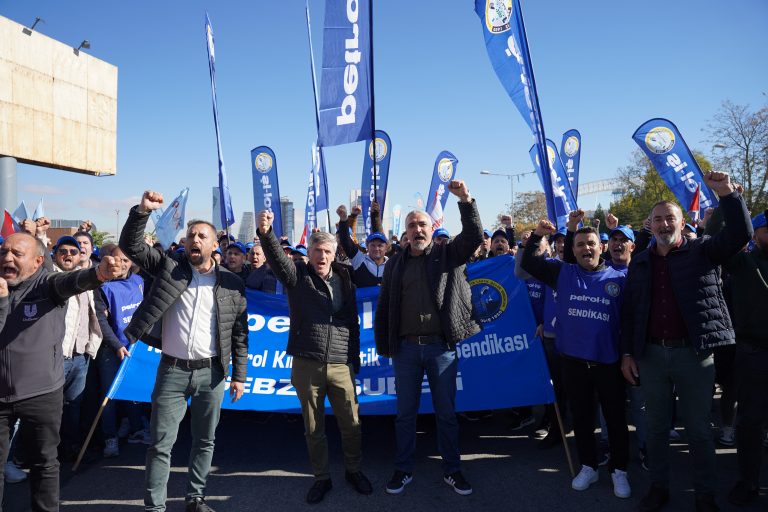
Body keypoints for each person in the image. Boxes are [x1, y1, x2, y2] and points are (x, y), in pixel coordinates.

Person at [620, 171, 752, 512]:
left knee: (698, 431)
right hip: (650, 356)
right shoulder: (641, 262)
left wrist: (727, 196)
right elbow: (631, 311)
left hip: (694, 356)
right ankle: (659, 488)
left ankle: (705, 495)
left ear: (682, 222)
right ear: (651, 225)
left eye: (671, 218)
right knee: (658, 428)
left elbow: (740, 233)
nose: (665, 224)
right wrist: (628, 354)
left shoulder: (704, 252)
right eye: (659, 219)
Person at [119, 190, 249, 512]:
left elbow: (240, 334)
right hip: (172, 372)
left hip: (213, 374)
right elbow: (132, 247)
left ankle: (195, 498)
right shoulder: (169, 268)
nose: (195, 239)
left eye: (202, 235)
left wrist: (240, 376)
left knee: (205, 441)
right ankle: (155, 507)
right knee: (161, 444)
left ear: (215, 244)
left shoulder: (232, 284)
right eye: (190, 234)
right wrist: (142, 212)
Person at [256, 209, 371, 505]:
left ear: (334, 254)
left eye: (327, 251)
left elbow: (352, 324)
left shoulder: (346, 278)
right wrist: (266, 233)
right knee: (313, 427)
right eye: (317, 250)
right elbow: (278, 261)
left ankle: (354, 471)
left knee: (352, 424)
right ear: (308, 253)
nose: (322, 256)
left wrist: (353, 360)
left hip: (341, 364)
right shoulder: (297, 276)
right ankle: (322, 478)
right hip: (307, 363)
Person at [375, 179, 482, 496]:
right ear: (405, 233)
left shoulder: (447, 254)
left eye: (422, 224)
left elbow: (474, 236)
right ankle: (403, 469)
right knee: (404, 415)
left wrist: (465, 199)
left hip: (441, 350)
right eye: (411, 225)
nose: (417, 230)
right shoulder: (394, 263)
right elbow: (385, 307)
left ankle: (453, 470)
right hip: (406, 351)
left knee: (446, 415)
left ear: (432, 228)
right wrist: (386, 345)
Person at [0, 232, 122, 512]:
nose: (7, 258)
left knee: (44, 462)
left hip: (41, 393)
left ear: (37, 262)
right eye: (4, 251)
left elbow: (73, 281)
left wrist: (99, 274)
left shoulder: (47, 285)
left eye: (17, 254)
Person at [521, 215, 631, 499]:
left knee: (615, 419)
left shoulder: (620, 277)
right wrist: (536, 236)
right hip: (573, 362)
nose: (586, 249)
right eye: (580, 244)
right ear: (575, 249)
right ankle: (588, 466)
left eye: (591, 244)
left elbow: (631, 322)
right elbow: (529, 264)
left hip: (608, 363)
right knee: (581, 417)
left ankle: (620, 471)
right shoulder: (563, 273)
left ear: (601, 247)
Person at [706, 210, 768, 507]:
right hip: (753, 355)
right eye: (767, 229)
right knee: (751, 422)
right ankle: (749, 481)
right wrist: (725, 207)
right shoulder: (743, 263)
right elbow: (713, 239)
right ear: (754, 233)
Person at [93, 243, 150, 457]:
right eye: (118, 259)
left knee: (133, 393)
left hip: (134, 347)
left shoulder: (138, 281)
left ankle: (136, 429)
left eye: (126, 260)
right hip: (111, 349)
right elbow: (101, 321)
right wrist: (116, 345)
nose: (122, 264)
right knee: (109, 396)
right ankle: (110, 438)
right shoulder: (103, 286)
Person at [51, 235, 105, 461]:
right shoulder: (49, 278)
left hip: (81, 355)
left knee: (74, 406)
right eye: (63, 251)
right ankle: (43, 454)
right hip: (56, 357)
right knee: (50, 409)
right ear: (54, 254)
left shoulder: (86, 280)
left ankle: (69, 448)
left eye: (75, 251)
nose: (69, 255)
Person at [336, 202, 388, 286]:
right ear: (367, 246)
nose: (376, 248)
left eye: (380, 245)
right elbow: (346, 241)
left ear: (386, 248)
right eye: (373, 245)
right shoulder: (359, 259)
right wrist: (344, 219)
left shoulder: (392, 265)